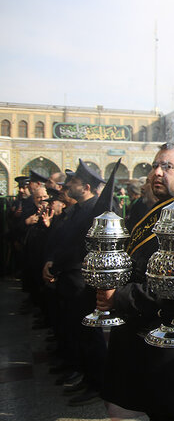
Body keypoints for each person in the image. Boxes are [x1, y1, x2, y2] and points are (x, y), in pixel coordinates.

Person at [98, 142, 174, 420]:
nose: (157, 172)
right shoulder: (160, 213)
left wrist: (118, 297)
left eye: (168, 166)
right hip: (150, 350)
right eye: (156, 165)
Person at [45, 160, 106, 406]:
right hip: (70, 279)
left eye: (75, 182)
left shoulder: (95, 210)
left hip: (83, 281)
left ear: (87, 187)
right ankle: (85, 375)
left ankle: (97, 384)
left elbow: (80, 248)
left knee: (90, 336)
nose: (69, 185)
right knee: (77, 332)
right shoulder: (80, 209)